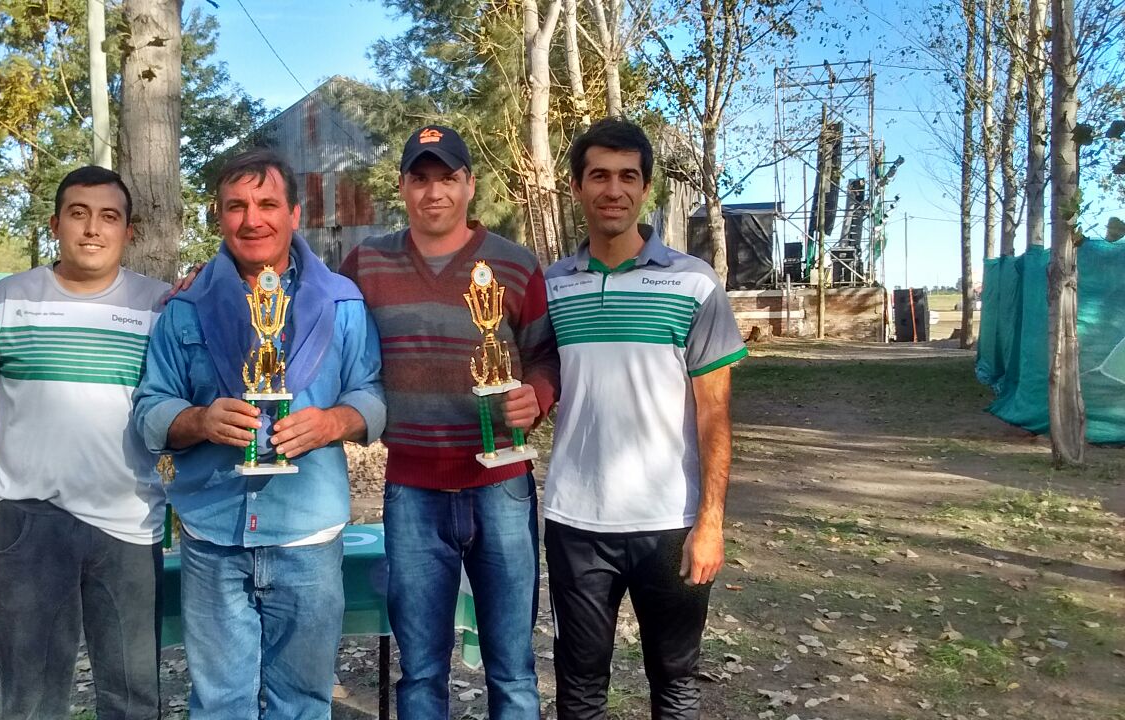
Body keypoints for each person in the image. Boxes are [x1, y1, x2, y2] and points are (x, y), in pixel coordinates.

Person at [132, 148, 384, 720]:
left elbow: (371, 394)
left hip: (307, 535)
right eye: (236, 206)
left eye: (268, 204)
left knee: (303, 704)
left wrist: (334, 422)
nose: (252, 220)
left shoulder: (342, 303)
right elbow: (150, 406)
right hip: (212, 535)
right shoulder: (185, 308)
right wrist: (199, 421)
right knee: (220, 704)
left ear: (294, 214)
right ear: (218, 216)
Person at [0, 166, 168, 719]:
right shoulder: (8, 300)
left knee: (134, 699)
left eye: (109, 217)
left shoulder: (159, 308)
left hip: (130, 527)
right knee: (31, 701)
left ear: (128, 231)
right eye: (78, 214)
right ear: (56, 224)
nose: (93, 228)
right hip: (32, 524)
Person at [339, 125, 559, 719]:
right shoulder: (366, 264)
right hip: (412, 490)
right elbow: (306, 303)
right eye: (420, 178)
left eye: (448, 178)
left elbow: (545, 355)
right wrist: (211, 274)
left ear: (470, 185)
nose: (433, 192)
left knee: (512, 669)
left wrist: (536, 397)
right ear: (402, 187)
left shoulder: (514, 265)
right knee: (420, 672)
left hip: (501, 488)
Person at [542, 118, 747, 719]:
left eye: (628, 176)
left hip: (670, 523)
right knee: (579, 688)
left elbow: (715, 416)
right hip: (576, 522)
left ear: (645, 187)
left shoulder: (694, 282)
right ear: (577, 186)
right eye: (599, 176)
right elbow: (538, 382)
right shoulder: (552, 286)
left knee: (675, 683)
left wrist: (711, 522)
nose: (614, 190)